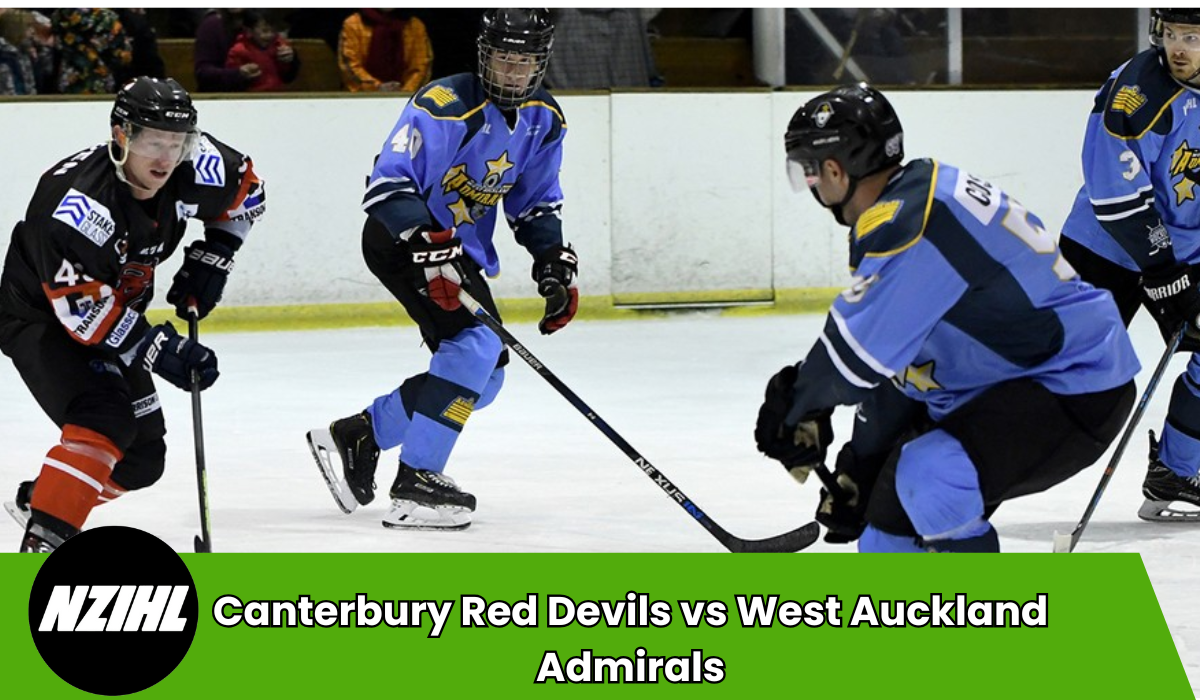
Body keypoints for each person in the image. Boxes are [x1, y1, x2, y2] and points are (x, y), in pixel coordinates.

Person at [756, 83, 1139, 552]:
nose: (814, 187)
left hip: (1072, 384)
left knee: (932, 474)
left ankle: (984, 613)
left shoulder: (910, 224)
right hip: (1007, 383)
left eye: (811, 174)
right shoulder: (917, 198)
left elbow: (856, 360)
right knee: (885, 543)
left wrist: (796, 404)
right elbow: (903, 363)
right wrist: (863, 462)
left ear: (834, 170)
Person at [308, 9, 577, 530]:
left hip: (458, 252)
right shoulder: (444, 104)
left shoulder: (545, 120)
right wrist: (423, 238)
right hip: (402, 240)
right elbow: (388, 182)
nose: (513, 73)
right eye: (504, 58)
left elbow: (536, 203)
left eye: (525, 62)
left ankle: (362, 433)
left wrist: (552, 262)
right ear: (484, 54)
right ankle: (417, 481)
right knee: (473, 349)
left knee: (485, 378)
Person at [0, 77, 267, 552]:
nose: (165, 158)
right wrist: (157, 349)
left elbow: (250, 196)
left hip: (115, 310)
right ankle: (44, 546)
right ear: (121, 135)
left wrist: (216, 255)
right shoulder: (75, 205)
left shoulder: (196, 167)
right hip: (40, 317)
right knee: (104, 420)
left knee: (142, 458)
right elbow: (84, 314)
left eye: (176, 143)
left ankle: (44, 500)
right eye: (151, 141)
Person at [1059, 9, 1200, 522]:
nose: (1177, 48)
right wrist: (1165, 274)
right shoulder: (1137, 91)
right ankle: (956, 467)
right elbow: (1116, 197)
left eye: (1193, 38)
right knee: (1064, 378)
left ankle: (1179, 474)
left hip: (1185, 252)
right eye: (1171, 35)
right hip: (1106, 249)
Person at [337, 9, 432, 93]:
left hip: (406, 99)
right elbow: (349, 66)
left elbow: (420, 67)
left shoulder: (415, 25)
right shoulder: (353, 24)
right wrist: (377, 87)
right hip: (361, 98)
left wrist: (405, 92)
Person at [225, 10, 300, 93]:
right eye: (265, 31)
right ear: (249, 31)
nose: (270, 35)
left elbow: (288, 76)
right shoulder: (239, 50)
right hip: (251, 96)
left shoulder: (280, 45)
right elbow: (231, 81)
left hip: (278, 94)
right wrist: (242, 75)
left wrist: (290, 60)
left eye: (273, 31)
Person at [194, 9, 258, 92]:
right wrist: (237, 74)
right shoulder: (211, 25)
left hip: (260, 94)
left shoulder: (260, 22)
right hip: (219, 95)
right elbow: (202, 72)